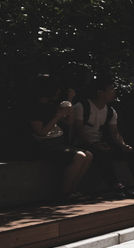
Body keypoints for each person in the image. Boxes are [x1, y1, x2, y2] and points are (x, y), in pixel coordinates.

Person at [76, 77, 134, 198]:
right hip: (83, 144)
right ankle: (115, 186)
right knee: (103, 154)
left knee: (130, 152)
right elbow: (78, 130)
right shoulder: (82, 106)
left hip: (100, 143)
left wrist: (123, 145)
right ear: (100, 92)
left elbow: (115, 132)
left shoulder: (110, 111)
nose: (114, 92)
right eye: (111, 89)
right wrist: (93, 144)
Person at [28, 74, 92, 202]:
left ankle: (73, 189)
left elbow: (69, 122)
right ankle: (65, 193)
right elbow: (41, 132)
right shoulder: (35, 108)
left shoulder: (52, 105)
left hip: (58, 144)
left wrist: (70, 101)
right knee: (79, 156)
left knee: (88, 155)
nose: (58, 91)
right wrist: (57, 117)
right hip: (45, 146)